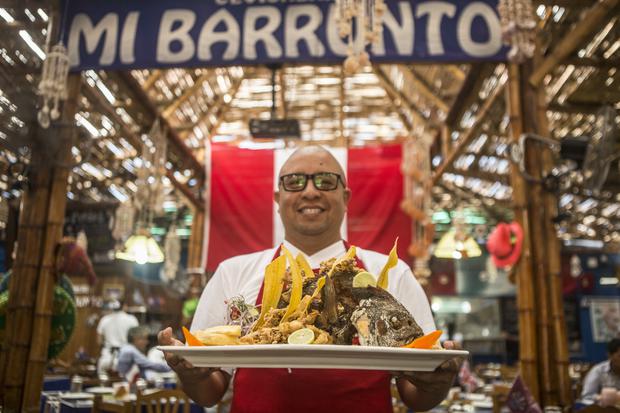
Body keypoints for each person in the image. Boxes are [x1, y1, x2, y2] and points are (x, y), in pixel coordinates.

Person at [158, 146, 462, 412]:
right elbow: (209, 392)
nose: (310, 191)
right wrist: (190, 373)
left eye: (325, 181)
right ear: (278, 198)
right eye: (294, 181)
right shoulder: (233, 273)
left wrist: (435, 384)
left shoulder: (393, 273)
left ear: (345, 197)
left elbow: (417, 396)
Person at [96, 299, 139, 374]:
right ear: (124, 306)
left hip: (107, 357)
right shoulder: (132, 319)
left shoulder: (104, 319)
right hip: (126, 358)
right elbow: (137, 340)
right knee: (123, 385)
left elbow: (99, 341)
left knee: (103, 384)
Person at [580, 338, 620, 402]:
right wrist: (601, 398)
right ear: (609, 355)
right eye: (619, 356)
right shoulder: (598, 371)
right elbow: (587, 396)